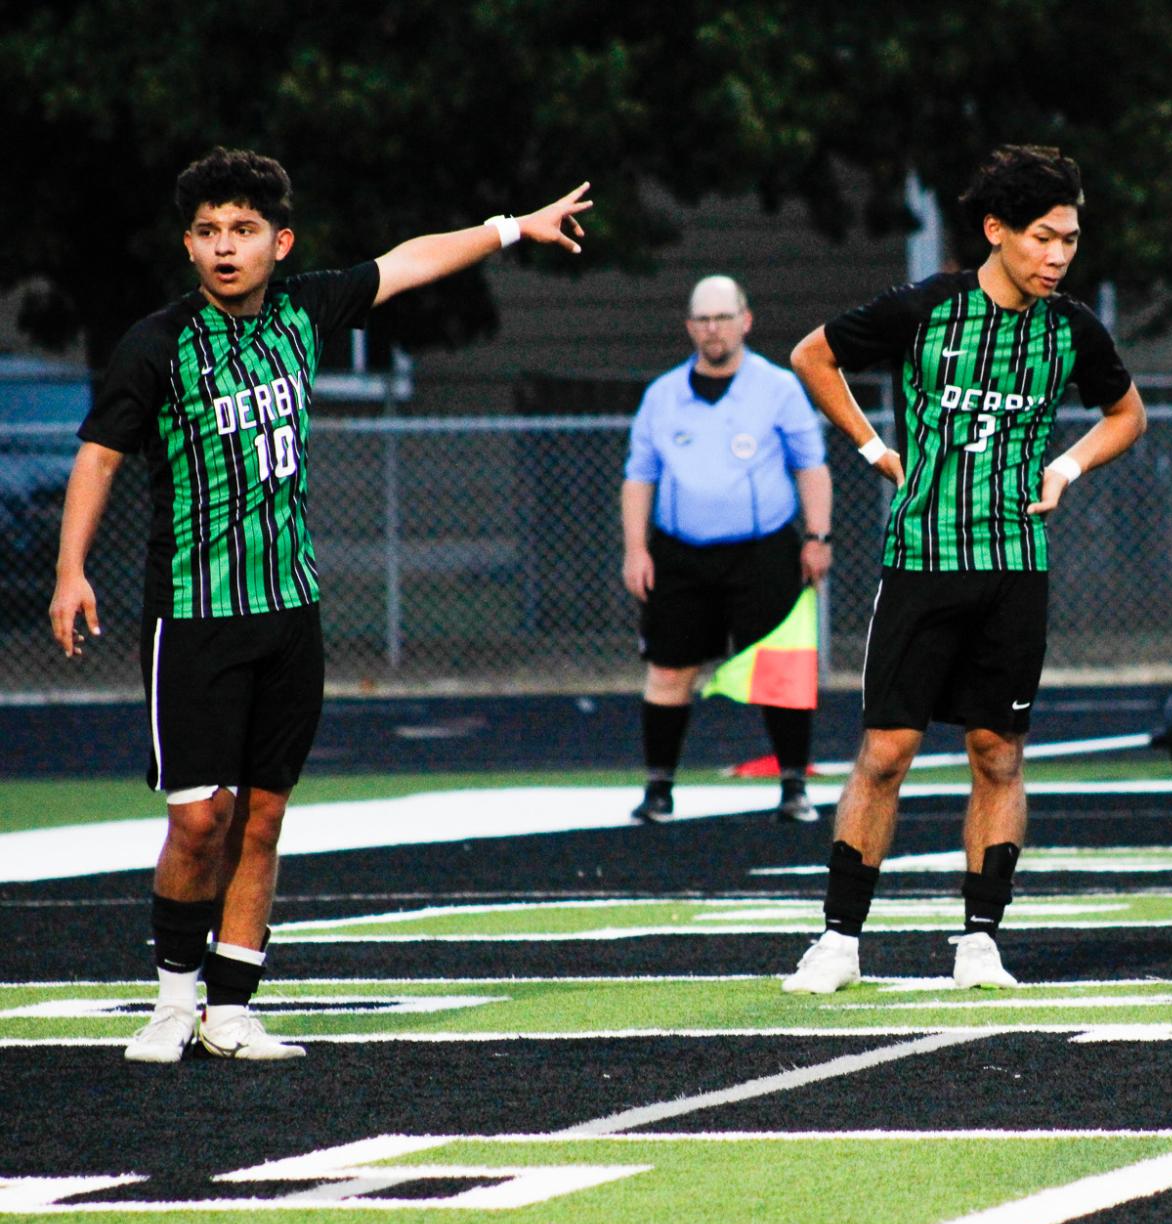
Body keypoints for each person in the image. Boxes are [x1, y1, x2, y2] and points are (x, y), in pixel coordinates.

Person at [49, 148, 592, 1062]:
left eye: (244, 231)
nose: (226, 248)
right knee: (198, 818)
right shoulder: (157, 344)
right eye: (209, 232)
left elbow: (411, 260)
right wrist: (72, 571)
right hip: (194, 616)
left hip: (290, 612)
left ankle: (232, 1009)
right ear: (189, 246)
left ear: (278, 241)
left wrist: (511, 229)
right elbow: (99, 457)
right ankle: (171, 1002)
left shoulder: (305, 311)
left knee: (262, 815)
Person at [780, 145, 1146, 993]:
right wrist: (873, 448)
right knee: (885, 752)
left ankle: (979, 940)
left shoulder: (1072, 329)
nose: (1059, 256)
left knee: (998, 754)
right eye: (1044, 238)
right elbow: (811, 355)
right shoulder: (926, 309)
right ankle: (838, 941)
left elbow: (1127, 415)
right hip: (923, 563)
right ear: (996, 231)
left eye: (1071, 240)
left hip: (1016, 569)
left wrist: (1065, 468)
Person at [621, 275, 830, 824]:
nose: (714, 329)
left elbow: (811, 465)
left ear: (746, 320)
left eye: (723, 316)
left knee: (780, 670)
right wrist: (636, 549)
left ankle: (792, 787)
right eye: (703, 319)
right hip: (681, 555)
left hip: (763, 552)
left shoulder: (778, 387)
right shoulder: (662, 396)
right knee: (669, 670)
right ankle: (659, 789)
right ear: (690, 327)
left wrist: (817, 536)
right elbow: (639, 476)